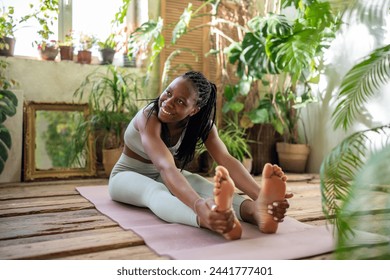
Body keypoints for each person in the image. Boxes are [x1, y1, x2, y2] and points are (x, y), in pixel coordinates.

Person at [108, 71, 292, 240]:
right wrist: (198, 205)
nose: (168, 102)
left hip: (161, 174)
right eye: (168, 92)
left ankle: (255, 211)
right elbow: (166, 166)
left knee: (201, 184)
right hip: (126, 176)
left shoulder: (202, 126)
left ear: (194, 110)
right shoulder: (148, 117)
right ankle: (210, 220)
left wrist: (261, 196)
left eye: (180, 101)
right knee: (155, 192)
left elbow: (226, 160)